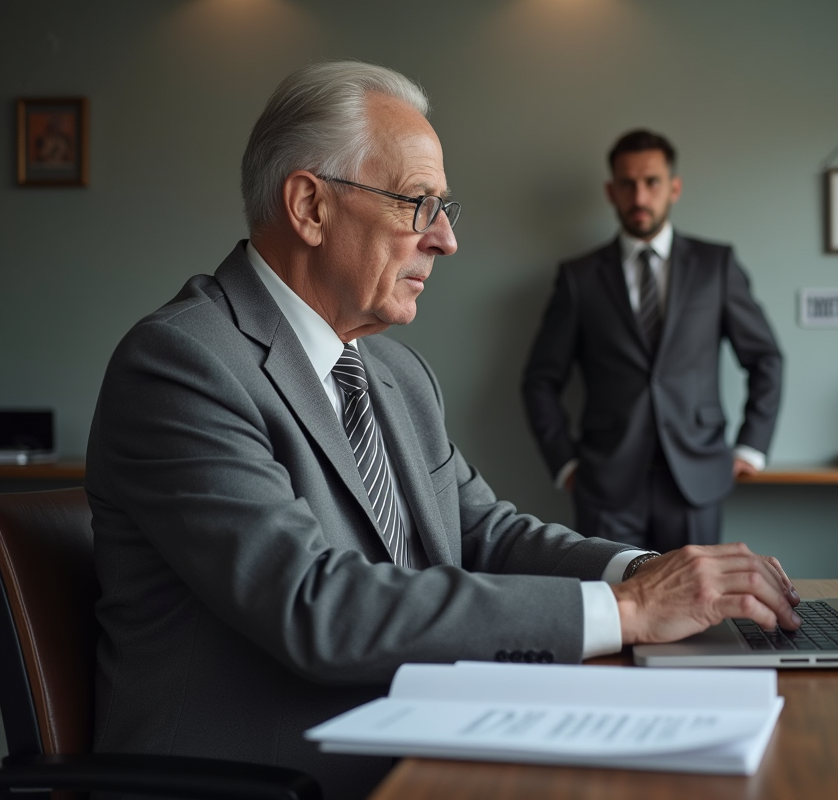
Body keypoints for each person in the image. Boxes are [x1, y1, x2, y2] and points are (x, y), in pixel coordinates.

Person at [86, 62, 801, 800]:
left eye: (445, 208)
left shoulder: (396, 375)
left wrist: (646, 571)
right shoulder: (185, 363)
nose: (447, 240)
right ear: (309, 206)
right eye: (419, 204)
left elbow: (488, 534)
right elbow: (314, 605)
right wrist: (627, 613)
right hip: (265, 777)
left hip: (412, 741)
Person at [522, 129, 784, 553]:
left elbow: (766, 358)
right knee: (615, 611)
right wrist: (566, 465)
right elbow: (539, 380)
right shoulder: (579, 277)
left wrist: (752, 447)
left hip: (697, 480)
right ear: (611, 190)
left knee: (697, 613)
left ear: (674, 187)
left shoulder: (715, 266)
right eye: (627, 184)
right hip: (606, 484)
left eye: (652, 182)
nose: (639, 196)